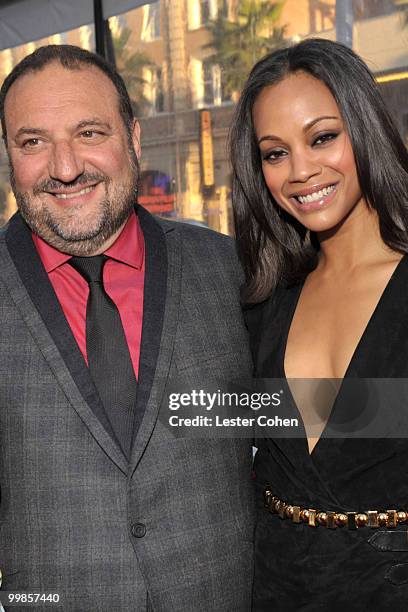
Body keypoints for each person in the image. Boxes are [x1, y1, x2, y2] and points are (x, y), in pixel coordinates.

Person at [0, 45, 254, 611]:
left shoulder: (226, 270)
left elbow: (299, 417)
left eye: (90, 133)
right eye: (33, 141)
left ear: (134, 139)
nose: (65, 167)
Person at [230, 38, 408, 611]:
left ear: (365, 128)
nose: (300, 171)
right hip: (276, 584)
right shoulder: (264, 298)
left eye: (322, 137)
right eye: (274, 153)